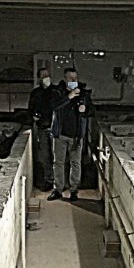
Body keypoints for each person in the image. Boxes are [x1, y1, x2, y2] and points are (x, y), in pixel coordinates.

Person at [48, 67, 93, 202]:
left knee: (76, 163)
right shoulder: (57, 92)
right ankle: (58, 189)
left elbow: (92, 110)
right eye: (70, 78)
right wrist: (69, 97)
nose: (73, 80)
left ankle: (74, 190)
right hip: (60, 134)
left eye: (75, 78)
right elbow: (53, 106)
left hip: (76, 135)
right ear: (65, 79)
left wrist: (85, 110)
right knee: (58, 163)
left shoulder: (83, 93)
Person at [28, 67, 59, 191]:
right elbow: (30, 109)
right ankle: (48, 180)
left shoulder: (56, 91)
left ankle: (59, 181)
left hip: (55, 128)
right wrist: (34, 116)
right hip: (42, 127)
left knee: (57, 156)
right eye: (43, 75)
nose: (46, 77)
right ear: (39, 78)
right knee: (45, 156)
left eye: (47, 75)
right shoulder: (36, 93)